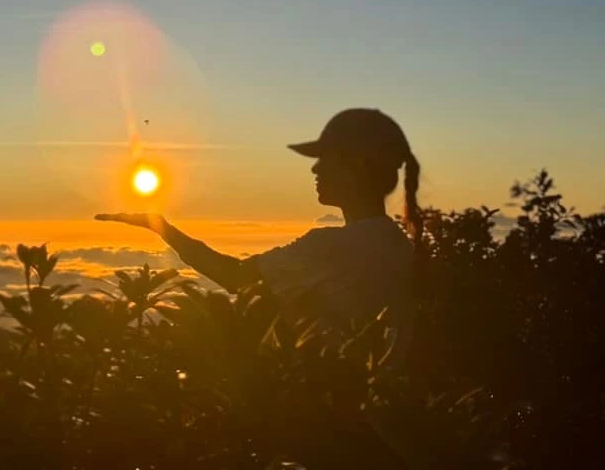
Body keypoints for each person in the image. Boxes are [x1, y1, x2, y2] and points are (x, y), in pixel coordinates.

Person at [96, 107, 422, 346]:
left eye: (327, 158)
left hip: (339, 414)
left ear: (359, 165)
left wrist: (161, 228)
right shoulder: (394, 241)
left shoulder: (335, 246)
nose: (316, 169)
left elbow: (236, 277)